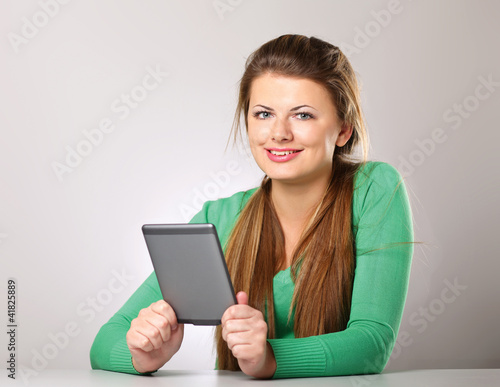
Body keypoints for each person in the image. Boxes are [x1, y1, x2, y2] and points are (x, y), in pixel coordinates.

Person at [90, 34, 414, 379]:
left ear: (344, 129)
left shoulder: (374, 190)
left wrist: (268, 358)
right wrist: (143, 355)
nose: (278, 133)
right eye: (263, 114)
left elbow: (371, 344)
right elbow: (103, 344)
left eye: (302, 115)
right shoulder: (221, 218)